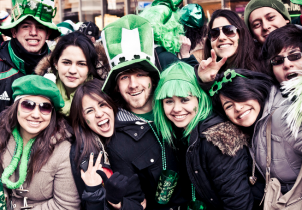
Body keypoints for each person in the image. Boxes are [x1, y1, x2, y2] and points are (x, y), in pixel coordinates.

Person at [101, 14, 193, 209]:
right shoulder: (117, 139)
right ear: (116, 86)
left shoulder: (178, 112)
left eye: (140, 74)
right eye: (125, 77)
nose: (133, 84)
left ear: (152, 78)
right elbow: (134, 201)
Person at [153, 62, 254, 210]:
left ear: (199, 99)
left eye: (184, 99)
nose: (176, 109)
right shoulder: (182, 133)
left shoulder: (216, 140)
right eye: (169, 101)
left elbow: (238, 204)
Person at [209, 68, 302, 198]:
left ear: (255, 90)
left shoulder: (283, 117)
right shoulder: (257, 123)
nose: (238, 108)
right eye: (228, 106)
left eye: (241, 97)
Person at [0, 75, 80, 209]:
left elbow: (67, 205)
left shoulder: (63, 150)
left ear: (52, 113)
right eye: (28, 105)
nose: (36, 114)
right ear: (16, 107)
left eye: (45, 107)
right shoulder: (3, 134)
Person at [69, 79, 144, 209]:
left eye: (102, 104)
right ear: (82, 119)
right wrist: (93, 190)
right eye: (89, 111)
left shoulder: (131, 129)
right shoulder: (85, 155)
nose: (99, 114)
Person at [0, 0, 61, 113]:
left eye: (40, 27)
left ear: (47, 34)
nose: (33, 32)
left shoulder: (59, 67)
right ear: (14, 32)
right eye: (26, 26)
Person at [34, 31, 109, 116]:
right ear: (55, 63)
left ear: (90, 67)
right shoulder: (40, 90)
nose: (72, 71)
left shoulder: (105, 94)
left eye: (81, 64)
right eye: (66, 62)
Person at [196, 9, 261, 83]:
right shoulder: (208, 73)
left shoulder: (262, 67)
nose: (221, 37)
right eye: (214, 33)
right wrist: (206, 83)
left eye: (229, 30)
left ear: (241, 34)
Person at [139, 0, 199, 71]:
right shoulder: (168, 59)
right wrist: (186, 56)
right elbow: (192, 79)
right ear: (172, 28)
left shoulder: (142, 55)